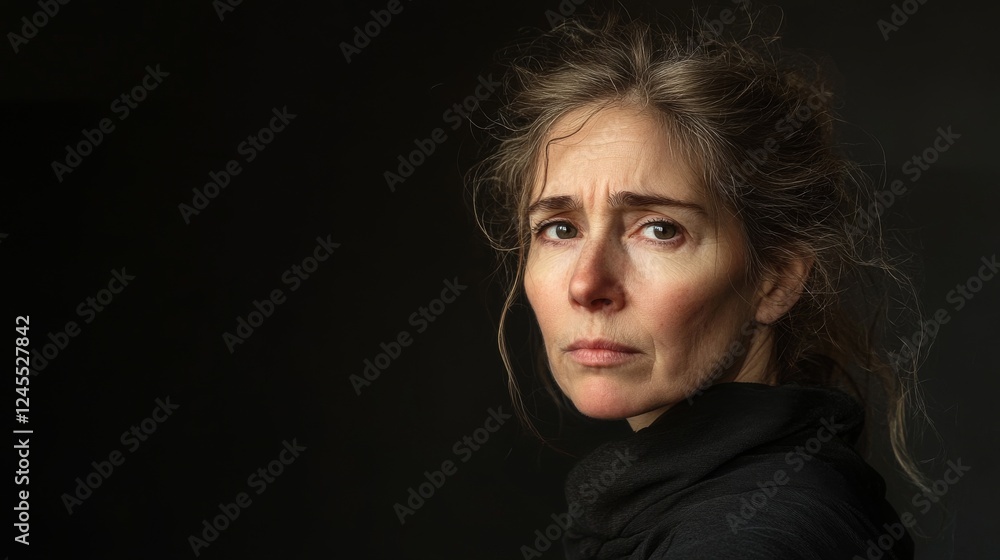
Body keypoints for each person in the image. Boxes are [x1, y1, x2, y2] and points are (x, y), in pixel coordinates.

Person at [470, 6, 930, 560]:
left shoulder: (746, 536)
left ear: (775, 280)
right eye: (560, 228)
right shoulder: (692, 507)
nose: (588, 283)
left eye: (659, 230)